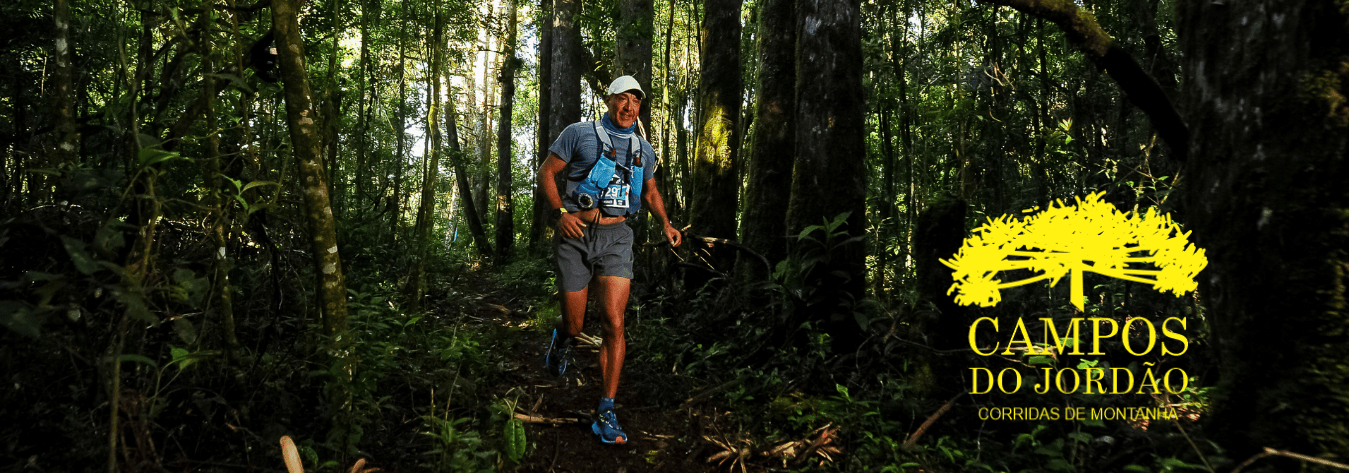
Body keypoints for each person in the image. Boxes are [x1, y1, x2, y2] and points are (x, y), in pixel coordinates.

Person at [538, 75, 682, 445]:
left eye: (636, 100)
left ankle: (606, 409)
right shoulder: (578, 133)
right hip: (575, 235)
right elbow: (547, 172)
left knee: (614, 323)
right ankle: (562, 339)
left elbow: (650, 191)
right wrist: (559, 214)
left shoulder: (643, 149)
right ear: (608, 99)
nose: (629, 107)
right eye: (623, 98)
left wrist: (666, 223)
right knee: (575, 323)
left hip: (617, 237)